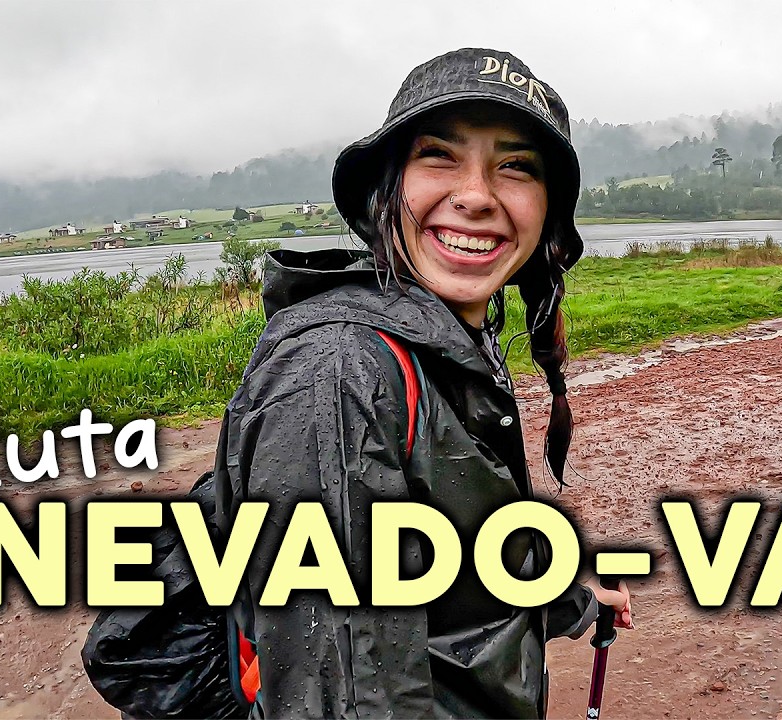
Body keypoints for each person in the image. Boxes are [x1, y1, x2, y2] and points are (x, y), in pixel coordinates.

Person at [211, 48, 633, 717]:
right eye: (439, 155)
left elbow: (458, 553)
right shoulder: (342, 372)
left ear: (548, 212)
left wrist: (571, 599)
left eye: (516, 166)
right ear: (388, 190)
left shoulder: (450, 341)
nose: (475, 195)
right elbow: (347, 696)